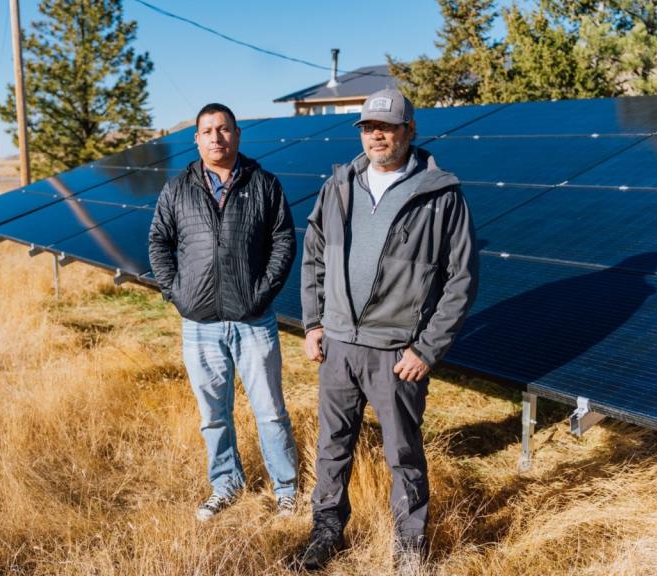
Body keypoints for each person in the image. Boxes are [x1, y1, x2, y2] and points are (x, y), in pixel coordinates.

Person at [298, 88, 478, 572]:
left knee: (404, 453)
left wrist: (427, 348)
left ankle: (409, 546)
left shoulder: (440, 195)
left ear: (410, 131)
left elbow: (461, 280)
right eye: (368, 127)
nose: (376, 135)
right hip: (337, 345)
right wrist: (313, 322)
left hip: (396, 353)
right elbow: (314, 255)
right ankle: (327, 530)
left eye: (387, 126)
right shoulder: (338, 186)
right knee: (333, 447)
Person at [148, 103, 299, 521]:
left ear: (237, 135)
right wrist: (178, 294)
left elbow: (283, 241)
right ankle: (226, 483)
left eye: (224, 129)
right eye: (207, 131)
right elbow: (159, 242)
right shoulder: (178, 189)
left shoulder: (264, 184)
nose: (216, 137)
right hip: (199, 322)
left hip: (253, 320)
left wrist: (262, 294)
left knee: (269, 409)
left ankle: (285, 488)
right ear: (195, 139)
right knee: (213, 415)